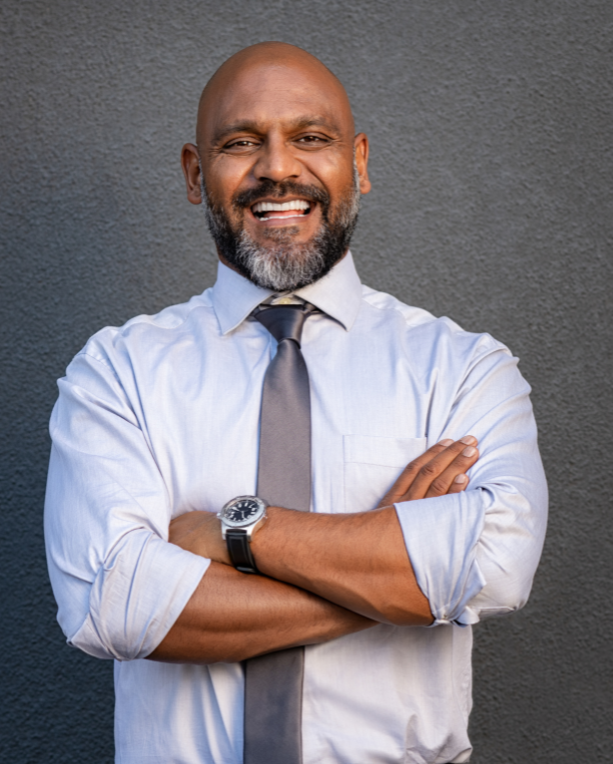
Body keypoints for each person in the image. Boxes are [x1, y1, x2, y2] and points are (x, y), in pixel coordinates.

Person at [44, 42, 548, 764]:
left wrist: (234, 533)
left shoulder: (463, 369)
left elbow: (496, 563)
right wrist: (390, 571)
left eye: (311, 138)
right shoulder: (117, 372)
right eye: (241, 142)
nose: (278, 168)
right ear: (195, 173)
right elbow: (114, 604)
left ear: (361, 164)